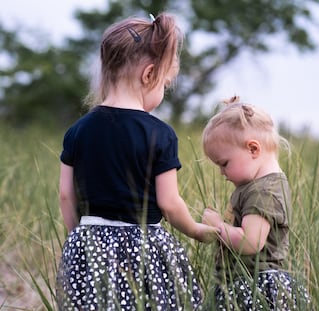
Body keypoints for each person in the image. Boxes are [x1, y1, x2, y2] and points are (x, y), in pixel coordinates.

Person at [56, 13, 218, 310]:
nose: (162, 92)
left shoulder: (77, 131)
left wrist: (79, 239)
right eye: (164, 84)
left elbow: (66, 195)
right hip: (144, 247)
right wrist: (195, 230)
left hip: (89, 241)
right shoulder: (161, 134)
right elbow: (169, 203)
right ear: (149, 75)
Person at [201, 96, 310, 310]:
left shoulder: (265, 191)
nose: (222, 172)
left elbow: (251, 241)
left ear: (253, 149)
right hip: (243, 283)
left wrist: (218, 227)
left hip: (256, 286)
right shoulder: (254, 186)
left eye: (224, 163)